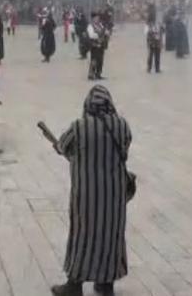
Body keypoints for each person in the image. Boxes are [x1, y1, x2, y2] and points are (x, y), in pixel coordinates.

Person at [50, 86, 131, 295]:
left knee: (83, 235)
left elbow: (63, 146)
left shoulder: (79, 126)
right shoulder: (122, 125)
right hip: (114, 196)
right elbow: (125, 148)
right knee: (110, 235)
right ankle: (106, 283)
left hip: (87, 197)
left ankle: (74, 284)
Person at [85, 13, 108, 81]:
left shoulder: (100, 25)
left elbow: (105, 31)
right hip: (94, 45)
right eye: (96, 18)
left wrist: (106, 33)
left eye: (98, 18)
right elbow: (91, 35)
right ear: (93, 19)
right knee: (94, 60)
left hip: (101, 45)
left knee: (100, 60)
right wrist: (99, 34)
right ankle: (91, 74)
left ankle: (98, 74)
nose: (97, 19)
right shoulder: (90, 26)